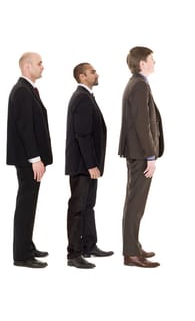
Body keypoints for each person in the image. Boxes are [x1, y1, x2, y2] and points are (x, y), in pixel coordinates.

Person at [65, 63, 113, 269]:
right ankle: (74, 254)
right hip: (83, 166)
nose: (97, 74)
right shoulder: (82, 98)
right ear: (82, 76)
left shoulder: (87, 96)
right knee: (77, 208)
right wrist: (91, 164)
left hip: (88, 166)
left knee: (88, 206)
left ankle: (89, 245)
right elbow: (82, 135)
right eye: (93, 72)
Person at [119, 46, 164, 268]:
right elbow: (141, 124)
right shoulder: (138, 86)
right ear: (142, 63)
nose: (155, 62)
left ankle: (134, 247)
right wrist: (150, 155)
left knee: (136, 203)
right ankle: (130, 254)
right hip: (140, 154)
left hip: (137, 153)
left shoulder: (138, 83)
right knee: (135, 203)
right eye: (152, 59)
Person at [6, 52, 52, 268]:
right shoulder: (22, 91)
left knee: (29, 204)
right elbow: (25, 128)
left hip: (30, 159)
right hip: (28, 160)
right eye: (39, 63)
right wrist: (35, 159)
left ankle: (27, 245)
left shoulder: (28, 90)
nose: (42, 67)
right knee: (25, 205)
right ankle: (21, 255)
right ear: (27, 67)